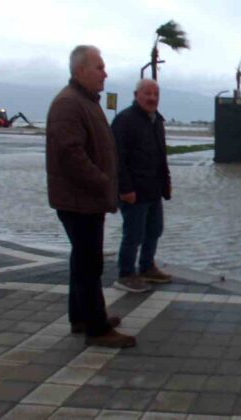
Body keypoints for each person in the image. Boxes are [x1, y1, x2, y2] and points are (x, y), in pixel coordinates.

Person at [46, 45, 135, 348]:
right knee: (89, 264)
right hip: (78, 199)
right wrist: (102, 181)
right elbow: (70, 154)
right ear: (80, 70)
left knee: (82, 260)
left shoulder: (85, 101)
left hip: (85, 198)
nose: (105, 73)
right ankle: (96, 329)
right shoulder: (69, 104)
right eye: (99, 67)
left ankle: (82, 316)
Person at [111, 78, 172, 293]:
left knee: (154, 230)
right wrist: (125, 189)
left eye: (156, 94)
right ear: (137, 95)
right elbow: (117, 158)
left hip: (153, 190)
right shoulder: (124, 120)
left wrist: (166, 185)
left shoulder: (156, 121)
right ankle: (126, 273)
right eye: (147, 94)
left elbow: (160, 157)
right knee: (133, 234)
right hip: (133, 191)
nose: (152, 98)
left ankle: (147, 266)